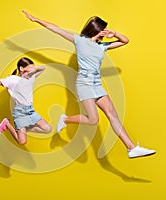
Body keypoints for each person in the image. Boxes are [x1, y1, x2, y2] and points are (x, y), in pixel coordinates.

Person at [22, 10, 155, 158]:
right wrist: (36, 20)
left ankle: (131, 148)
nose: (105, 31)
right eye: (103, 29)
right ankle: (65, 119)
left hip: (96, 83)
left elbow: (125, 41)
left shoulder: (102, 46)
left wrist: (114, 33)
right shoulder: (80, 41)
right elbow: (56, 29)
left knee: (113, 115)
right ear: (97, 29)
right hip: (84, 83)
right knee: (93, 120)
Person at [0, 57, 52, 145]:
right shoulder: (12, 80)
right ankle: (7, 123)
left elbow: (43, 68)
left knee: (47, 129)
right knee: (22, 141)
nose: (32, 71)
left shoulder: (30, 77)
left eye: (33, 69)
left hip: (30, 110)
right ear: (21, 68)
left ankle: (23, 130)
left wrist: (34, 69)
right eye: (29, 68)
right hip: (20, 112)